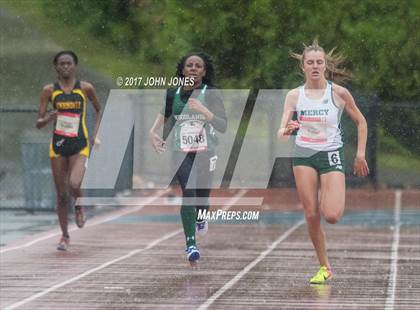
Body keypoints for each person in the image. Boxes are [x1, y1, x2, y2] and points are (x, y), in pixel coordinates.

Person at [277, 40, 369, 284]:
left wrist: (360, 153)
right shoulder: (294, 96)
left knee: (331, 215)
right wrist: (289, 127)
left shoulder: (338, 93)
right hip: (304, 155)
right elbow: (281, 131)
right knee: (310, 214)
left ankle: (327, 194)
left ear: (325, 65)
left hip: (330, 154)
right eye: (310, 62)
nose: (315, 66)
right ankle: (325, 267)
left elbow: (361, 121)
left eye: (319, 62)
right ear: (303, 67)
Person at [149, 52, 227, 265]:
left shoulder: (210, 93)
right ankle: (191, 244)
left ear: (204, 71)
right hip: (181, 151)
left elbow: (223, 126)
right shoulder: (171, 93)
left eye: (198, 66)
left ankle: (202, 217)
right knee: (188, 193)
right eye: (189, 65)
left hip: (206, 151)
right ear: (182, 70)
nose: (193, 68)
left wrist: (204, 111)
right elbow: (165, 114)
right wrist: (153, 132)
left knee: (202, 197)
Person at [36, 51, 102, 251]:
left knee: (74, 182)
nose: (65, 67)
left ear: (75, 66)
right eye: (62, 64)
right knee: (62, 194)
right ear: (56, 67)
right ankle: (64, 235)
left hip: (80, 143)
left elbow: (99, 110)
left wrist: (94, 135)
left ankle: (80, 206)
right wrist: (49, 118)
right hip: (58, 146)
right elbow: (38, 123)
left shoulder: (85, 88)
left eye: (69, 63)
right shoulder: (49, 91)